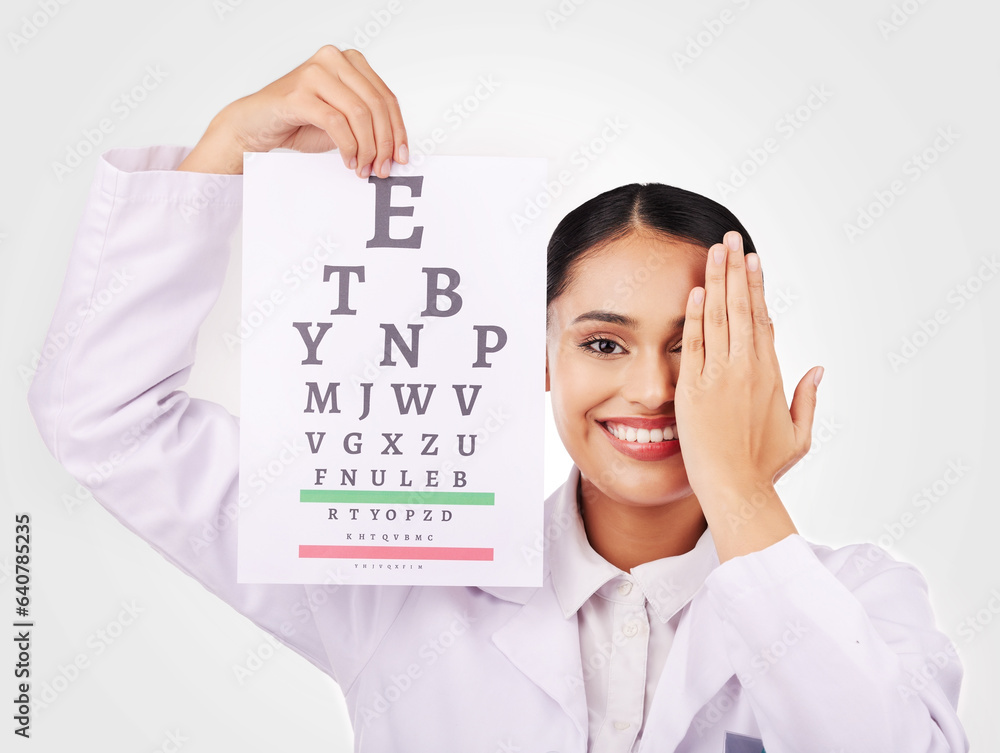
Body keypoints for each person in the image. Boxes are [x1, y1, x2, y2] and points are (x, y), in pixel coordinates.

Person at [27, 46, 968, 752]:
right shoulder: (397, 563)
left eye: (696, 346)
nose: (651, 386)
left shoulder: (862, 599)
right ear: (542, 355)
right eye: (605, 342)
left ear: (753, 359)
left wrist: (745, 496)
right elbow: (104, 414)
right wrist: (231, 146)